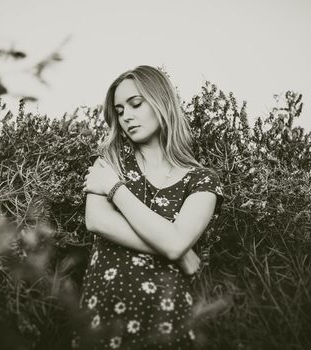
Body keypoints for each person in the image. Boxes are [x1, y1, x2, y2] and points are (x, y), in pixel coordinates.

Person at [75, 65, 223, 349]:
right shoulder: (111, 160)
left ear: (161, 102)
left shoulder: (202, 180)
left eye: (135, 104)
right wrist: (180, 254)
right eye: (119, 110)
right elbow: (97, 222)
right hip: (104, 311)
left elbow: (177, 243)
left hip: (167, 317)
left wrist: (115, 189)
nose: (126, 116)